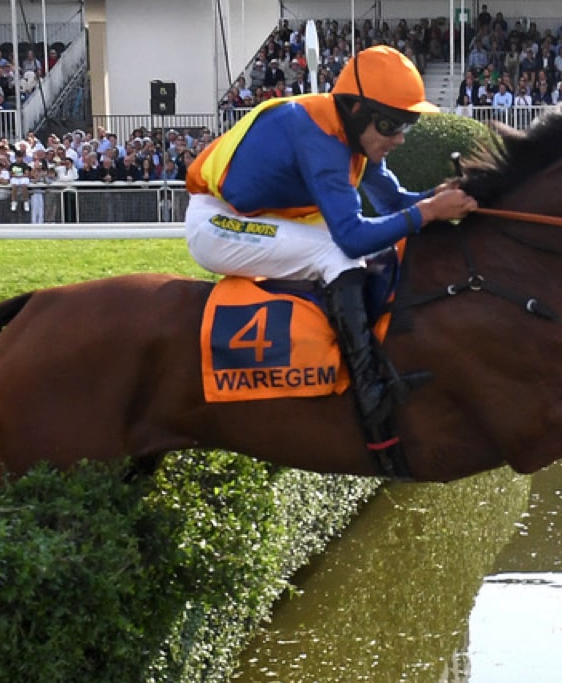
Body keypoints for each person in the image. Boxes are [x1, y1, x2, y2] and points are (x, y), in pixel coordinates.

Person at [182, 44, 477, 451]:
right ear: (356, 110)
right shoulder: (317, 134)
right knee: (337, 253)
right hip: (218, 225)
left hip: (258, 220)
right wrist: (428, 212)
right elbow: (352, 237)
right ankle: (369, 393)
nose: (400, 139)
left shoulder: (352, 134)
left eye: (407, 125)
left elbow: (394, 203)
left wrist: (437, 197)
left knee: (350, 249)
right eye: (392, 124)